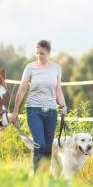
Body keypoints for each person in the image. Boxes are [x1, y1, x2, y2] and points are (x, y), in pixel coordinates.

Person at [12, 40, 67, 172]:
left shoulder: (56, 68)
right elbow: (22, 89)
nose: (39, 56)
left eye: (42, 53)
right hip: (34, 110)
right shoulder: (30, 68)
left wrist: (63, 105)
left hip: (51, 112)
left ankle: (44, 178)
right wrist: (15, 111)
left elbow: (58, 89)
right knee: (40, 144)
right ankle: (37, 177)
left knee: (47, 147)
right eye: (37, 53)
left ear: (49, 53)